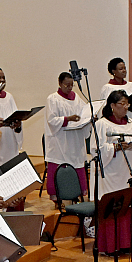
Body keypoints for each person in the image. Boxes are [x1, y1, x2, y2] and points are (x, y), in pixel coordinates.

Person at [91, 90, 132, 250]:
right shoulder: (102, 124)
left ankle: (128, 243)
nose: (126, 107)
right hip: (111, 175)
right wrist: (114, 147)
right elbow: (95, 150)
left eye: (127, 104)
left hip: (130, 170)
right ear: (112, 106)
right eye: (122, 104)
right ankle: (111, 245)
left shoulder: (131, 124)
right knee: (114, 207)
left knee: (129, 204)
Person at [44, 72, 91, 202]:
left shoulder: (77, 99)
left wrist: (89, 118)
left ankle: (78, 194)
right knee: (59, 165)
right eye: (67, 85)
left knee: (77, 164)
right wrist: (68, 119)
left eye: (72, 85)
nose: (70, 88)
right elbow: (52, 120)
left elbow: (84, 113)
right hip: (60, 141)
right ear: (59, 83)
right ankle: (58, 197)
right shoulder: (53, 99)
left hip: (75, 141)